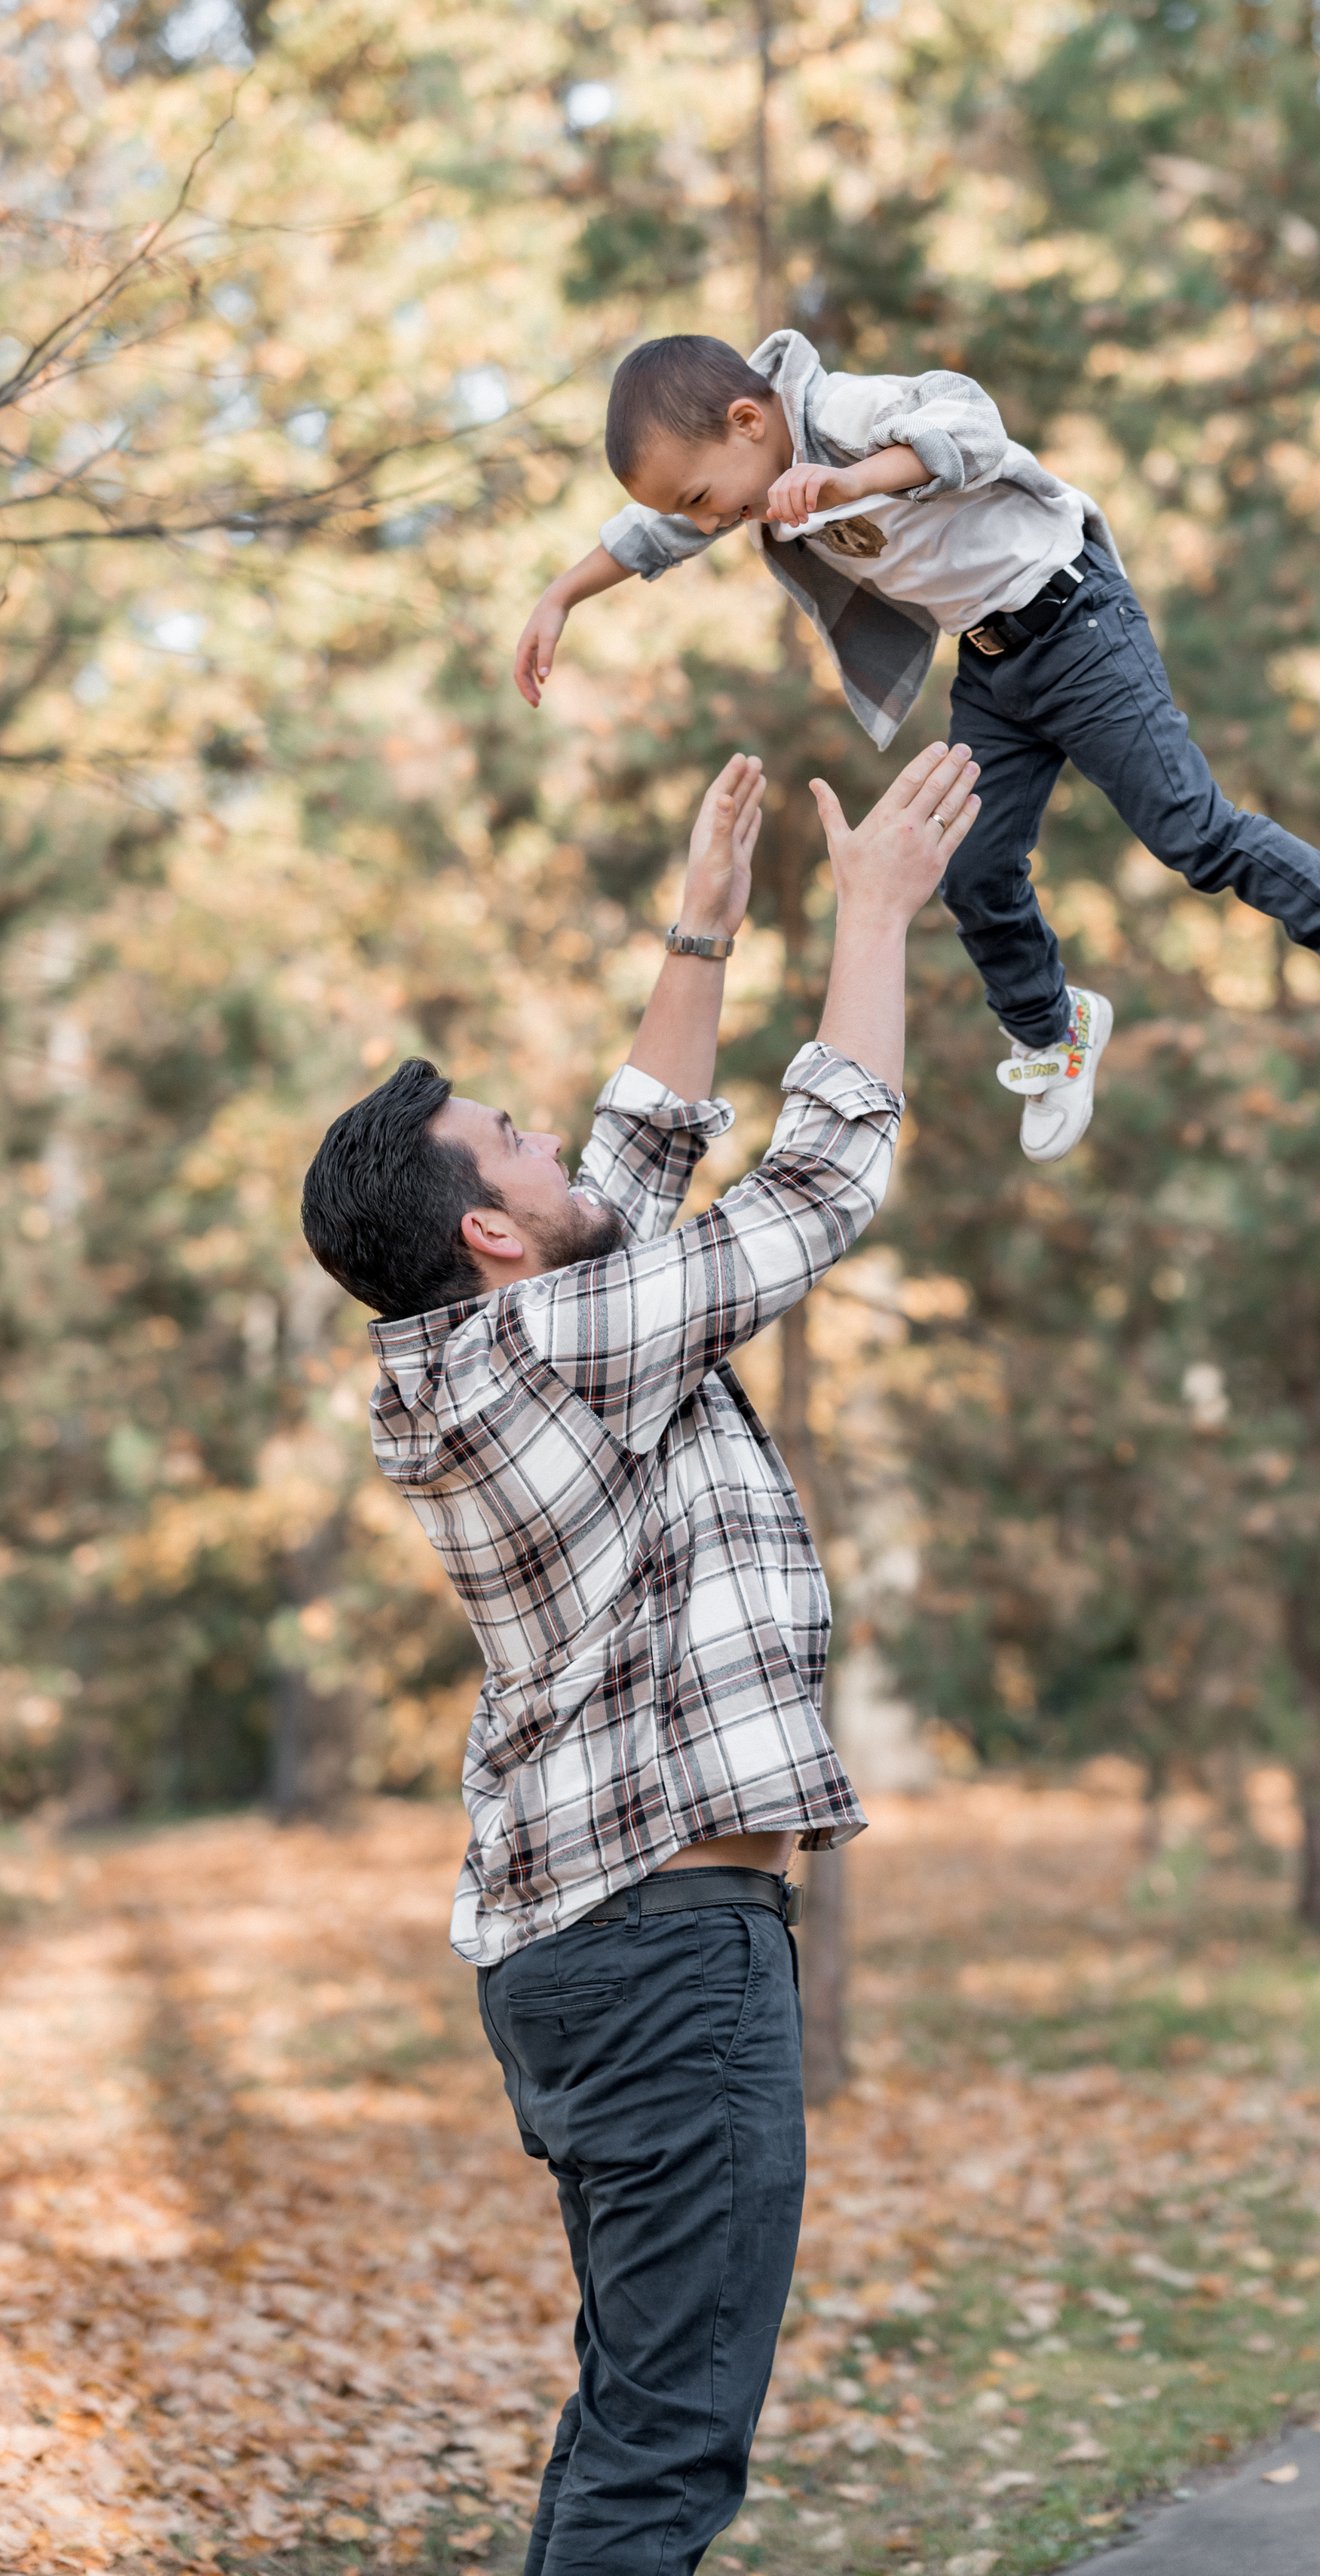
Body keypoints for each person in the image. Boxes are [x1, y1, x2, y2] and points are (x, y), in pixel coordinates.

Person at [298, 738, 981, 2576]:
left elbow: (632, 1161)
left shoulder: (485, 1343)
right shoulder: (561, 1343)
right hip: (664, 1957)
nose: (549, 1135)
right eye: (508, 1142)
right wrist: (870, 921)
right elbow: (819, 1179)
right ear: (486, 1236)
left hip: (596, 1951)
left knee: (633, 2414)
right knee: (665, 2442)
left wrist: (702, 922)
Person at [512, 327, 1320, 1164]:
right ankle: (1053, 1031)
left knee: (1188, 830)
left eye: (704, 496)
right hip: (996, 662)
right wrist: (559, 596)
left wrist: (849, 479)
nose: (711, 523)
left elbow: (970, 423)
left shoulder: (839, 412)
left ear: (748, 422)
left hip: (1077, 618)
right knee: (968, 870)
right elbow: (651, 533)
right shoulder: (738, 480)